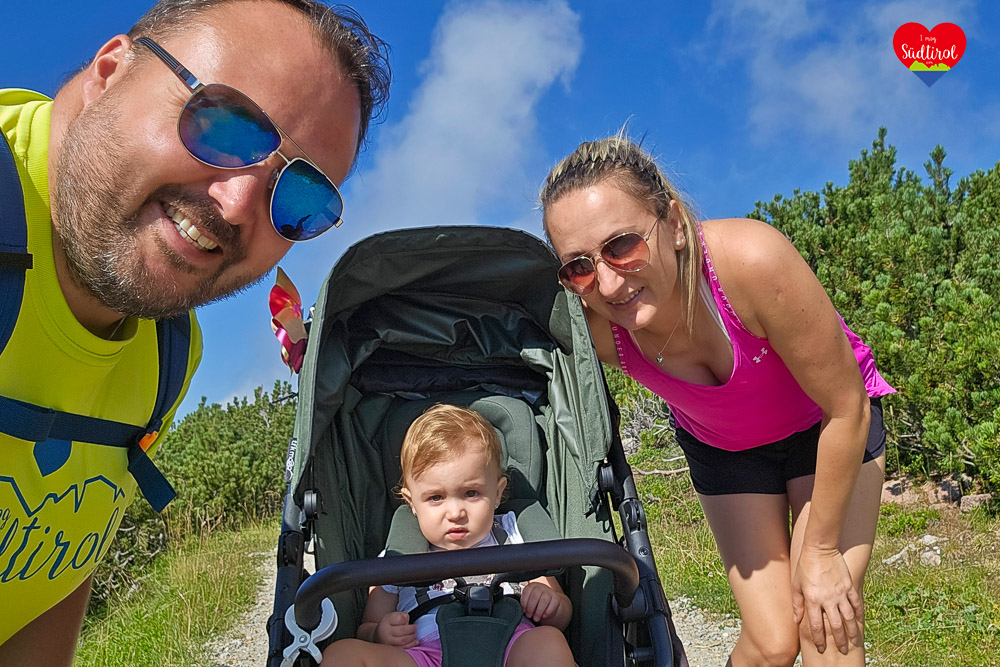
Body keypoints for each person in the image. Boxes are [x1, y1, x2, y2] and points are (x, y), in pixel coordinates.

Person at [0, 0, 390, 663]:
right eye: (226, 123)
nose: (237, 204)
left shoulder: (167, 350)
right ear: (111, 69)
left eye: (300, 197)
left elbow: (51, 563)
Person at [540, 134, 894, 667]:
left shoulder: (750, 263)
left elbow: (846, 406)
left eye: (622, 245)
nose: (608, 283)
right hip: (725, 451)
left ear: (676, 225)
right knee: (773, 642)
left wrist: (820, 552)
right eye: (579, 267)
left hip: (827, 429)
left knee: (824, 617)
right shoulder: (594, 329)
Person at [322, 404, 575, 667]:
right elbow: (367, 626)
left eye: (471, 493)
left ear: (498, 492)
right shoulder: (398, 554)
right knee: (343, 654)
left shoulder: (514, 535)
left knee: (548, 640)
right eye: (435, 498)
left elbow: (563, 615)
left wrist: (550, 605)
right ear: (411, 503)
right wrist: (379, 633)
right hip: (425, 653)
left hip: (509, 646)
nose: (455, 512)